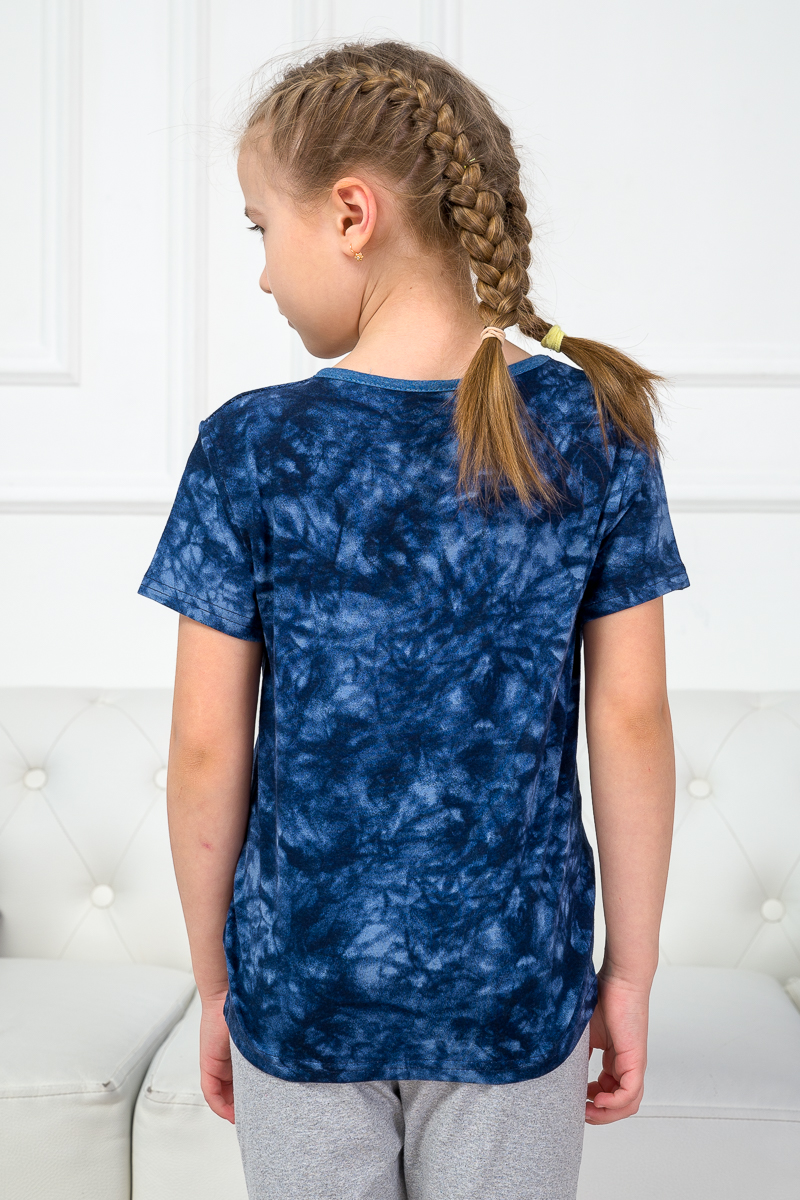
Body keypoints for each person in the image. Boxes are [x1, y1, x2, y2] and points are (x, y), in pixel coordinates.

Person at [137, 38, 689, 1200]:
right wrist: (628, 975)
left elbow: (203, 748)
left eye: (260, 229)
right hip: (512, 992)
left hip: (304, 989)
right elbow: (631, 722)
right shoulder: (594, 426)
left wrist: (218, 981)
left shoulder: (251, 446)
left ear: (350, 215)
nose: (261, 275)